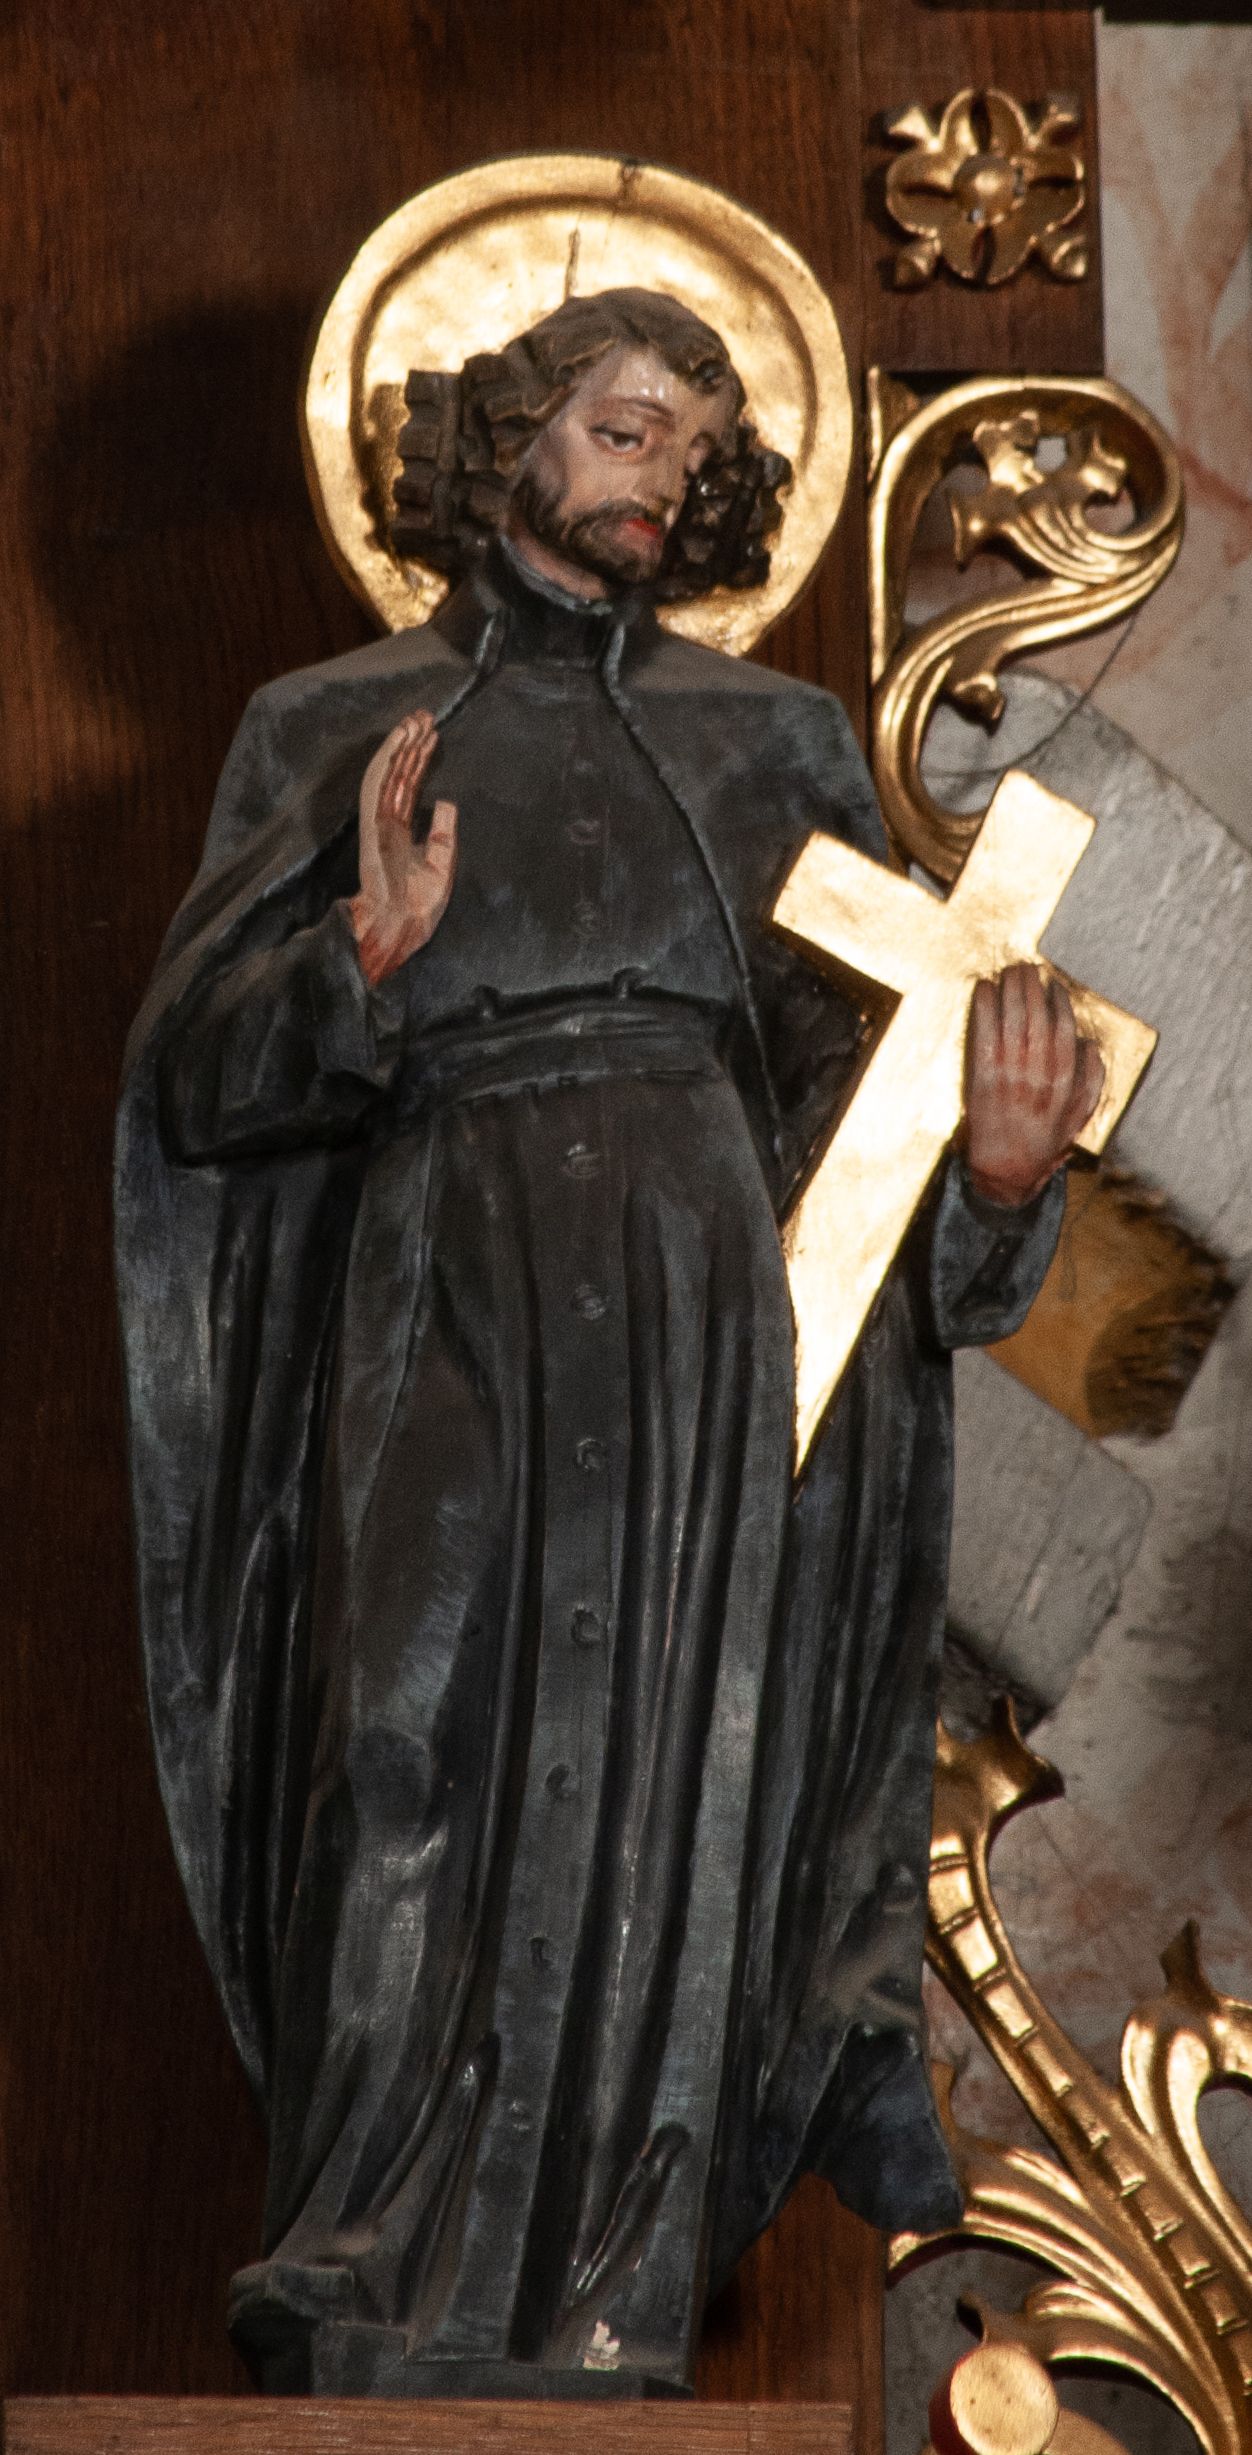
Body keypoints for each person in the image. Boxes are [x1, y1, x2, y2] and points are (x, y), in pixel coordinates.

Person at [115, 288, 1101, 2400]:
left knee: (673, 1760)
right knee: (397, 1737)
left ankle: (609, 2290)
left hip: (698, 1292)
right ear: (515, 438)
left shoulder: (772, 747)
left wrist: (997, 1183)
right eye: (624, 428)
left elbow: (862, 1132)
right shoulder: (331, 722)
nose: (659, 476)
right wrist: (355, 967)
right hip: (447, 1267)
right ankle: (359, 2255)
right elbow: (191, 1087)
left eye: (693, 448)